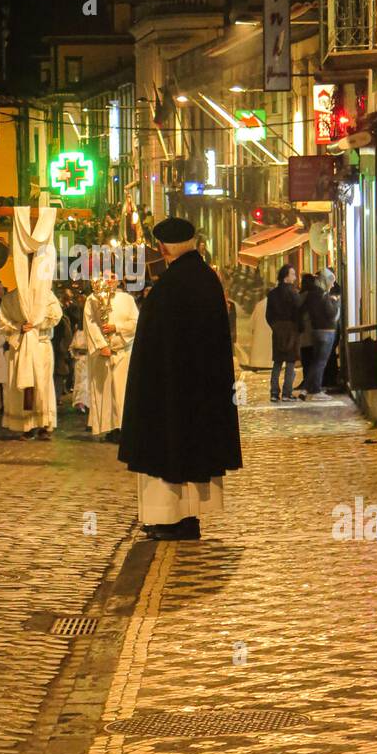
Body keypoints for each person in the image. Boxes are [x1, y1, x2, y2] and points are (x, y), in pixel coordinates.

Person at [119, 217, 242, 541]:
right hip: (201, 392)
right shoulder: (208, 281)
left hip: (168, 392)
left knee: (168, 457)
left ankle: (173, 519)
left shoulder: (168, 287)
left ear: (163, 248)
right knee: (194, 455)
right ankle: (188, 518)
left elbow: (153, 346)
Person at [0, 283, 63, 439]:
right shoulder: (10, 298)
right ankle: (27, 426)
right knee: (25, 388)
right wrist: (20, 327)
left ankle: (44, 425)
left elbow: (56, 315)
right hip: (21, 346)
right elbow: (3, 322)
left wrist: (36, 323)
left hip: (41, 346)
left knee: (42, 386)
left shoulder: (46, 294)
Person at [84, 273, 138, 442]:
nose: (109, 280)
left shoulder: (127, 299)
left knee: (122, 393)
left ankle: (123, 428)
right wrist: (102, 345)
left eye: (112, 276)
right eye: (105, 277)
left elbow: (136, 322)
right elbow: (90, 323)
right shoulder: (93, 299)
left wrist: (117, 327)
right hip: (103, 354)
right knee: (105, 392)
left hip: (123, 352)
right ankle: (109, 428)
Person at [302, 267, 341, 400]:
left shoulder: (311, 294)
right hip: (327, 331)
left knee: (316, 362)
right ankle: (315, 390)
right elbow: (331, 315)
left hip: (316, 330)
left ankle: (306, 390)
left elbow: (303, 309)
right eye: (331, 282)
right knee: (321, 362)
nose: (332, 285)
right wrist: (335, 303)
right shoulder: (324, 295)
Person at [265, 264, 301, 404]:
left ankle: (274, 393)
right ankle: (287, 393)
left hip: (278, 330)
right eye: (293, 274)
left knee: (278, 362)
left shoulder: (273, 294)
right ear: (286, 276)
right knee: (290, 362)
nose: (295, 277)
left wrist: (275, 327)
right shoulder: (293, 294)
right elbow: (299, 312)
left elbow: (268, 315)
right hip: (291, 329)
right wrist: (298, 328)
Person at [294, 272, 317, 394]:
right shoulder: (316, 296)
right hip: (315, 331)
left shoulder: (302, 296)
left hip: (305, 331)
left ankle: (308, 382)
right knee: (313, 358)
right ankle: (311, 382)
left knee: (307, 358)